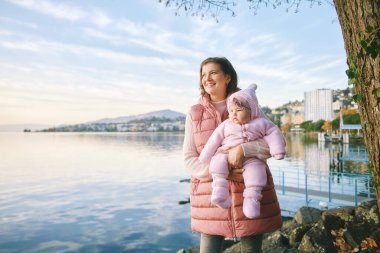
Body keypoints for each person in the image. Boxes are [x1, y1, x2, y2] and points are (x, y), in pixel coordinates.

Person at [183, 57, 283, 253]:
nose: (207, 78)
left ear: (227, 76)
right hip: (211, 195)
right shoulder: (194, 113)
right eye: (203, 74)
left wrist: (243, 150)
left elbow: (273, 141)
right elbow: (189, 158)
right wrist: (222, 171)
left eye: (213, 72)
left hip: (250, 192)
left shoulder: (248, 105)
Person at [198, 84, 286, 219]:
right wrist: (205, 156)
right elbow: (214, 140)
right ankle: (219, 191)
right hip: (225, 153)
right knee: (217, 162)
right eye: (231, 110)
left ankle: (252, 200)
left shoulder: (261, 122)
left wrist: (277, 150)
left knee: (257, 171)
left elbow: (274, 134)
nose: (233, 114)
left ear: (252, 110)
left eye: (238, 110)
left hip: (252, 158)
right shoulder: (226, 124)